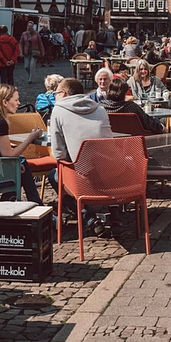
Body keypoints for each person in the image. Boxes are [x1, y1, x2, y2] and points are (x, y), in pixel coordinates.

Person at [47, 77, 111, 234]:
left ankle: (88, 217)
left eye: (55, 93)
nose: (54, 96)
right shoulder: (100, 109)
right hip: (109, 171)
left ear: (63, 93)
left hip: (82, 176)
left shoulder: (59, 110)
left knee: (54, 175)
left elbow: (58, 154)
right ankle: (107, 214)